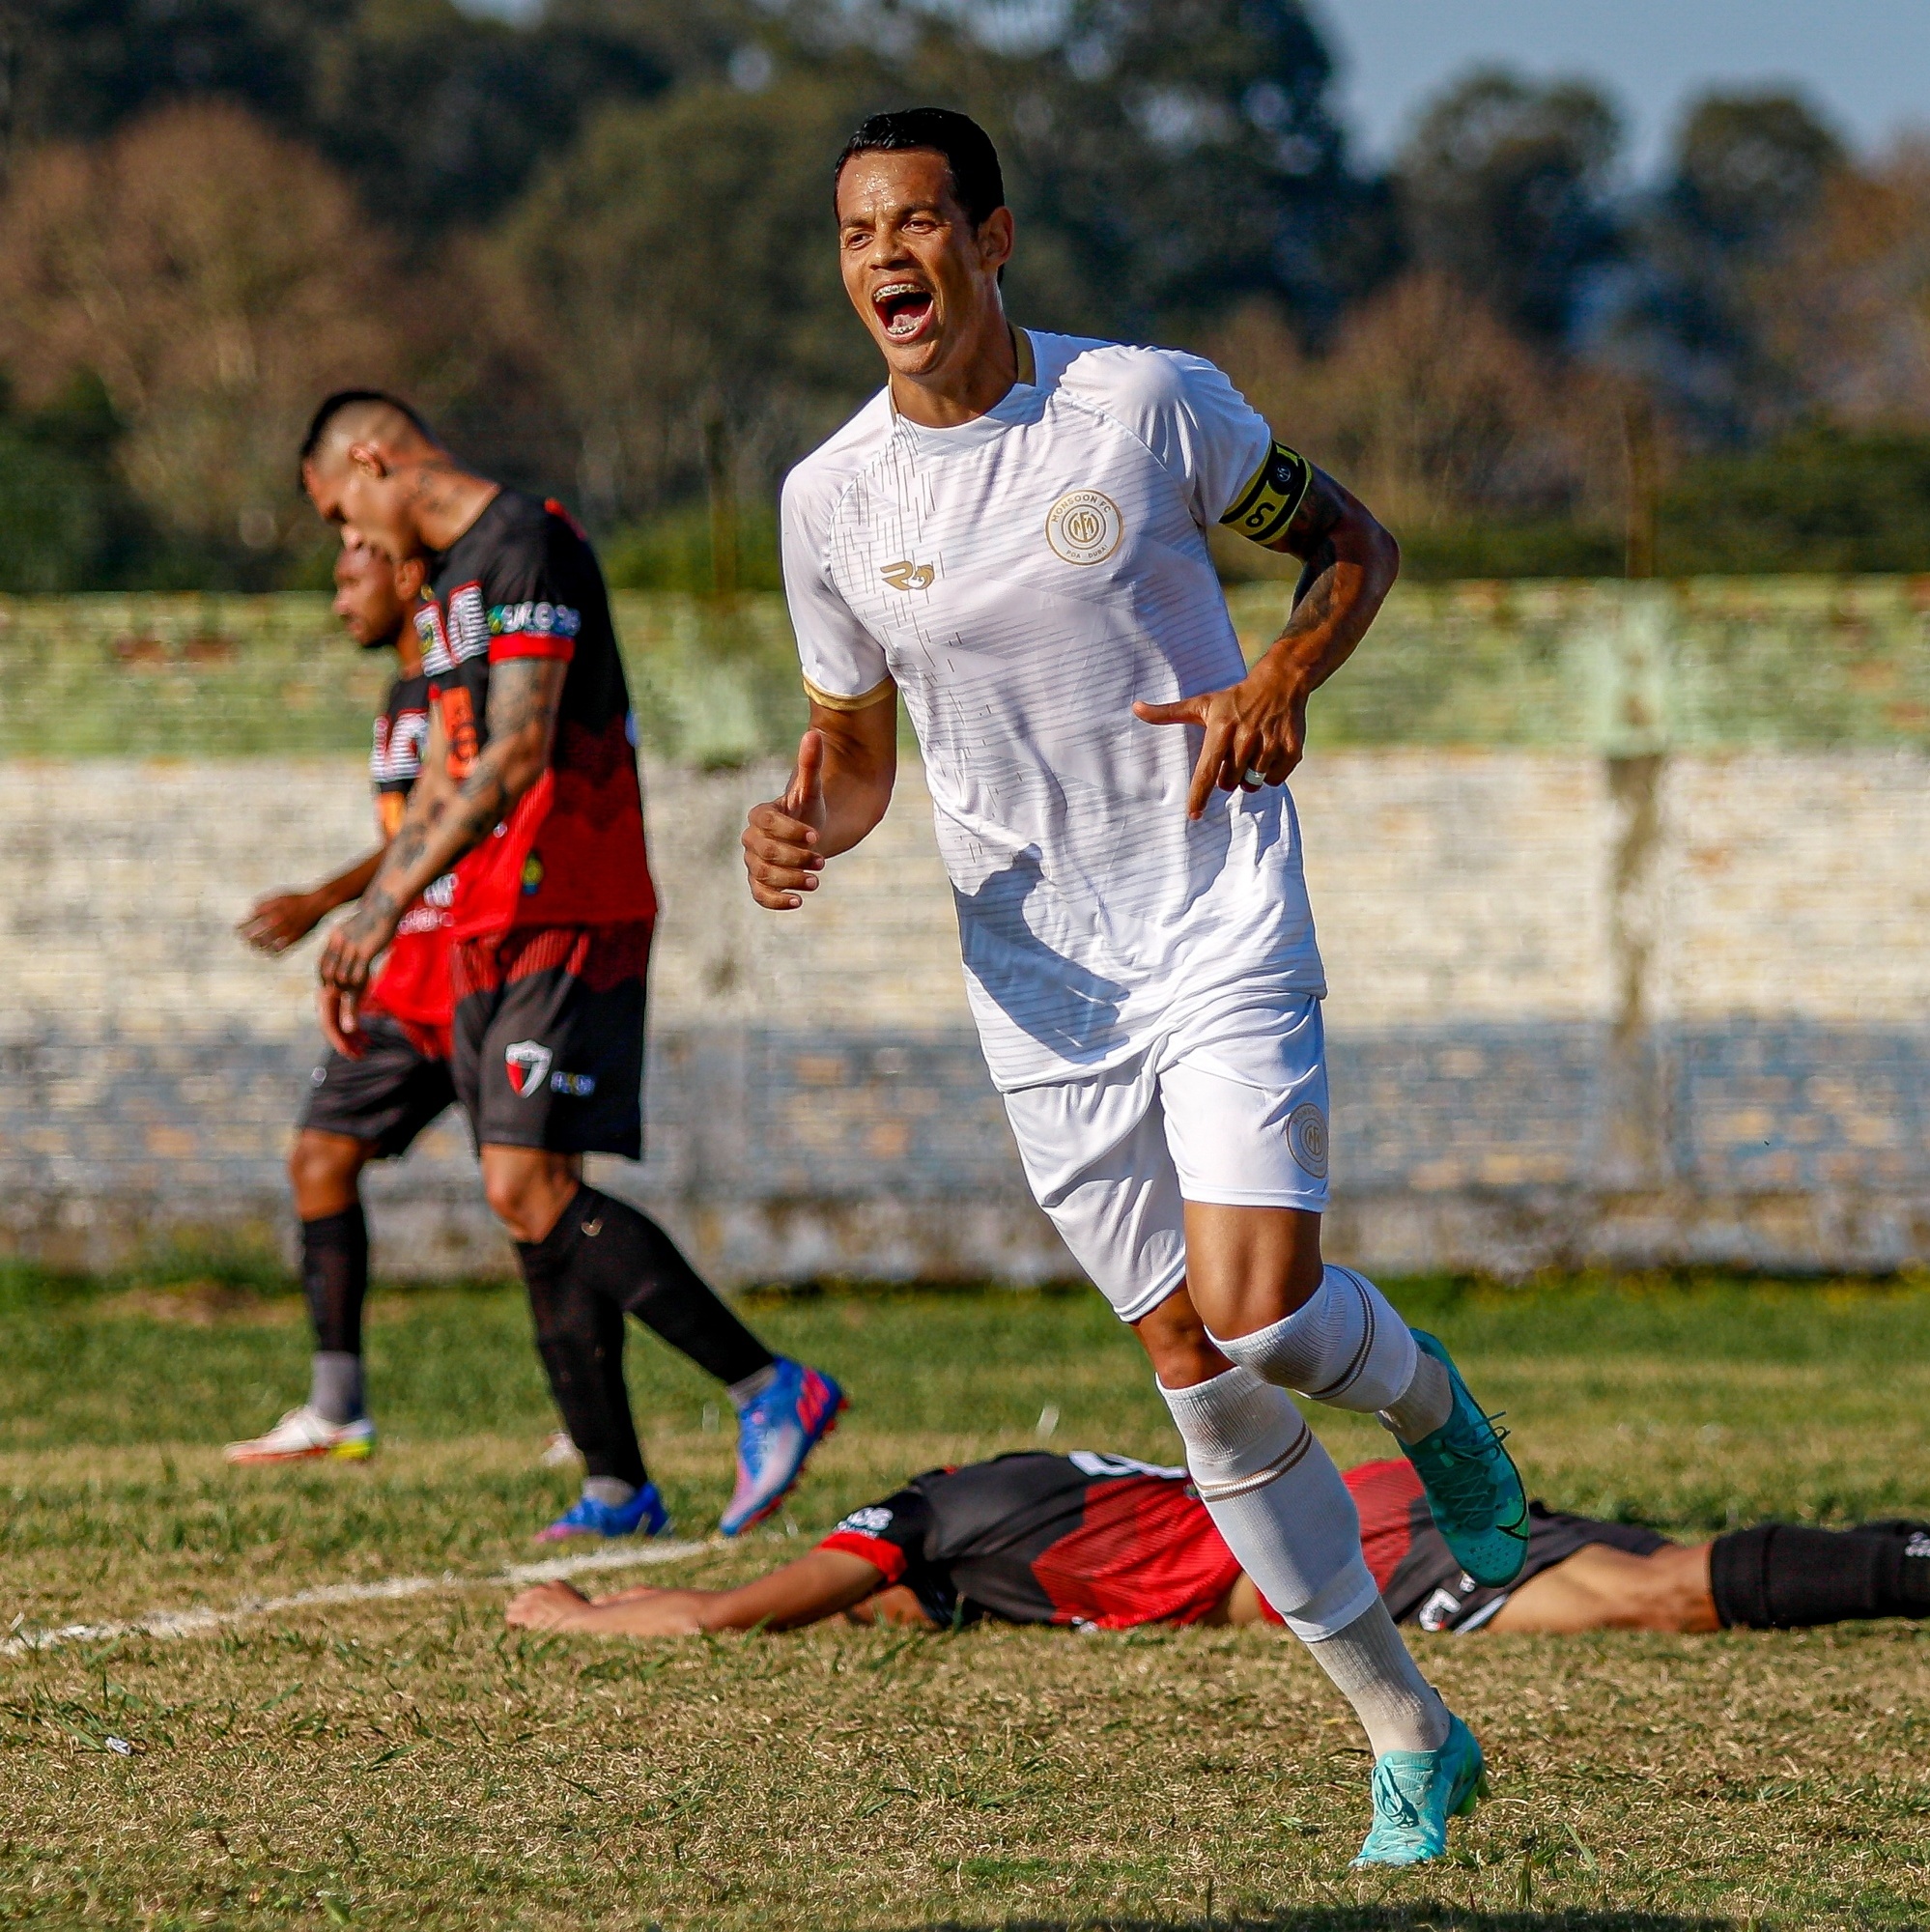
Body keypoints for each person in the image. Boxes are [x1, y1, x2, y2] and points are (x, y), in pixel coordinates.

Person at [738, 108, 1524, 1865]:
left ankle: (1431, 1412)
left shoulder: (1144, 403)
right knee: (1192, 1366)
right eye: (858, 230)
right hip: (1037, 986)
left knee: (1255, 1308)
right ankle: (1407, 1735)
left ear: (991, 240)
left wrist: (1280, 675)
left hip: (1210, 906)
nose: (887, 257)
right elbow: (854, 753)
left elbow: (1352, 549)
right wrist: (802, 823)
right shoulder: (827, 499)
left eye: (919, 222)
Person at [297, 390, 845, 1540]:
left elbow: (518, 751)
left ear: (372, 459)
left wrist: (380, 902)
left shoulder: (527, 544)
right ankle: (615, 1482)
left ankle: (765, 1384)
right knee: (526, 1190)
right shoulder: (448, 582)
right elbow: (451, 775)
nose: (347, 538)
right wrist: (388, 917)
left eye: (339, 507)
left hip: (568, 904)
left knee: (528, 1184)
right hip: (489, 921)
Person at [505, 1447, 1930, 1641]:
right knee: (1656, 1574)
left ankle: (1907, 1569)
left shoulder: (922, 1524)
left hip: (1340, 1548)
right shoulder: (1008, 1509)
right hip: (1348, 1513)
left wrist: (577, 1617)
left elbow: (735, 1613)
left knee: (1653, 1601)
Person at [228, 540, 456, 1463]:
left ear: (408, 577)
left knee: (535, 1190)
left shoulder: (464, 679)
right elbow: (411, 834)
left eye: (349, 576)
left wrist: (327, 901)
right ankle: (337, 1408)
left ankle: (588, 1420)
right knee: (320, 1156)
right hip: (407, 966)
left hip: (484, 959)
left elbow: (455, 817)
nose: (336, 602)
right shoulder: (400, 696)